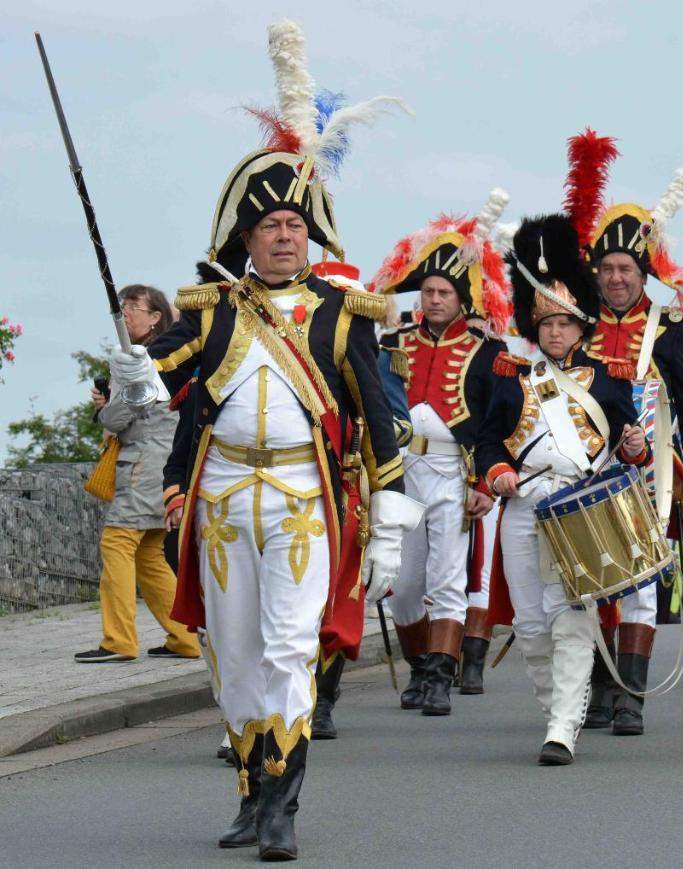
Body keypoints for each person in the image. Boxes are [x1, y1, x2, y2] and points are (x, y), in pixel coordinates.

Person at [108, 21, 419, 860]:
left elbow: (380, 417)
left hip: (301, 501)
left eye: (295, 223)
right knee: (234, 653)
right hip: (216, 502)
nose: (285, 235)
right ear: (243, 238)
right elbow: (165, 387)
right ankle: (252, 788)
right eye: (269, 224)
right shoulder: (207, 313)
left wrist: (388, 518)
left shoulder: (342, 310)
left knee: (289, 645)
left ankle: (283, 806)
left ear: (310, 234)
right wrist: (133, 361)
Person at [476, 212, 648, 765]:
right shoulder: (510, 377)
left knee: (571, 617)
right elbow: (488, 442)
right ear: (534, 326)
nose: (555, 332)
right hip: (525, 508)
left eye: (565, 323)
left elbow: (628, 447)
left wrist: (637, 448)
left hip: (579, 511)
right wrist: (497, 471)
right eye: (546, 323)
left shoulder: (609, 379)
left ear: (582, 326)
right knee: (530, 626)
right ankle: (560, 708)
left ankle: (561, 727)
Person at [561, 129, 683, 734]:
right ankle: (599, 687)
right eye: (607, 267)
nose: (616, 278)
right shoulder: (575, 321)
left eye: (625, 268)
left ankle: (631, 696)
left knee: (642, 579)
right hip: (584, 464)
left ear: (642, 271)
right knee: (594, 573)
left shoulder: (669, 324)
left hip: (649, 474)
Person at [367, 191, 511, 715]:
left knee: (449, 576)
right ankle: (420, 667)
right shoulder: (392, 346)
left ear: (461, 299)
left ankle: (440, 679)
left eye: (443, 292)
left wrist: (483, 485)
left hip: (454, 470)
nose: (432, 300)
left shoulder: (488, 352)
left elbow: (500, 423)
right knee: (402, 585)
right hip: (403, 470)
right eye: (427, 291)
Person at [76, 285, 200, 664]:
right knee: (149, 555)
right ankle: (184, 638)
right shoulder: (169, 358)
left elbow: (118, 418)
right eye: (124, 306)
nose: (125, 314)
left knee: (116, 543)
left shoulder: (145, 360)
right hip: (163, 463)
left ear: (155, 317)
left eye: (133, 307)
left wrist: (104, 407)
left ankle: (119, 641)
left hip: (143, 463)